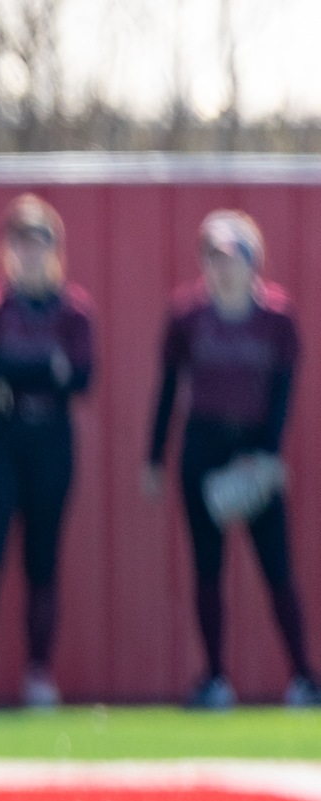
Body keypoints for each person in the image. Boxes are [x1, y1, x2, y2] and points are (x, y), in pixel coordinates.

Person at [143, 210, 314, 710]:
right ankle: (215, 676)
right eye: (212, 257)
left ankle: (304, 675)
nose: (221, 268)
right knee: (208, 567)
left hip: (253, 450)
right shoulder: (187, 315)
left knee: (276, 566)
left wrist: (265, 457)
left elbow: (283, 391)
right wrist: (154, 457)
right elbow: (170, 388)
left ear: (252, 261)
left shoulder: (277, 319)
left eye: (231, 257)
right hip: (202, 446)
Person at [0, 197, 96, 711]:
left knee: (42, 561)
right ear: (7, 250)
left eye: (40, 244)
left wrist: (20, 372)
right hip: (0, 438)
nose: (30, 255)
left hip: (49, 439)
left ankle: (38, 673)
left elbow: (79, 377)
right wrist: (39, 369)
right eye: (21, 244)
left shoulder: (73, 309)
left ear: (54, 251)